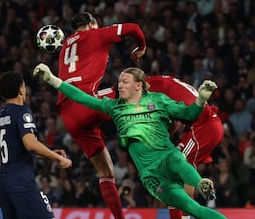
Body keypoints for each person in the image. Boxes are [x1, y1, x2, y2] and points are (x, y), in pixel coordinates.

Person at [34, 64, 228, 219]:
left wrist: (201, 100)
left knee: (177, 160)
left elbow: (188, 113)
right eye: (119, 81)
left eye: (125, 81)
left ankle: (200, 183)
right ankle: (199, 188)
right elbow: (82, 98)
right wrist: (52, 79)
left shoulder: (159, 100)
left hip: (167, 156)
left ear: (139, 85)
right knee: (192, 208)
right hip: (151, 176)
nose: (120, 85)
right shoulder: (114, 107)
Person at [57, 12, 146, 219]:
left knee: (106, 172)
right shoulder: (95, 34)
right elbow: (134, 27)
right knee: (134, 86)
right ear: (92, 24)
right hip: (86, 103)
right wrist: (141, 47)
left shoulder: (65, 47)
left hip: (68, 115)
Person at [0, 71, 72, 219]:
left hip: (4, 183)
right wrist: (59, 159)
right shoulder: (22, 112)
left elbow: (20, 149)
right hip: (22, 183)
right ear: (21, 89)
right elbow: (30, 144)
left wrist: (50, 153)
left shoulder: (2, 115)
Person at [146, 75, 224, 219]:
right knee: (179, 171)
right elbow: (176, 119)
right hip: (207, 124)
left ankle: (184, 214)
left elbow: (174, 123)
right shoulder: (163, 82)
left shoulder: (153, 88)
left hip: (204, 127)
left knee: (176, 175)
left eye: (126, 82)